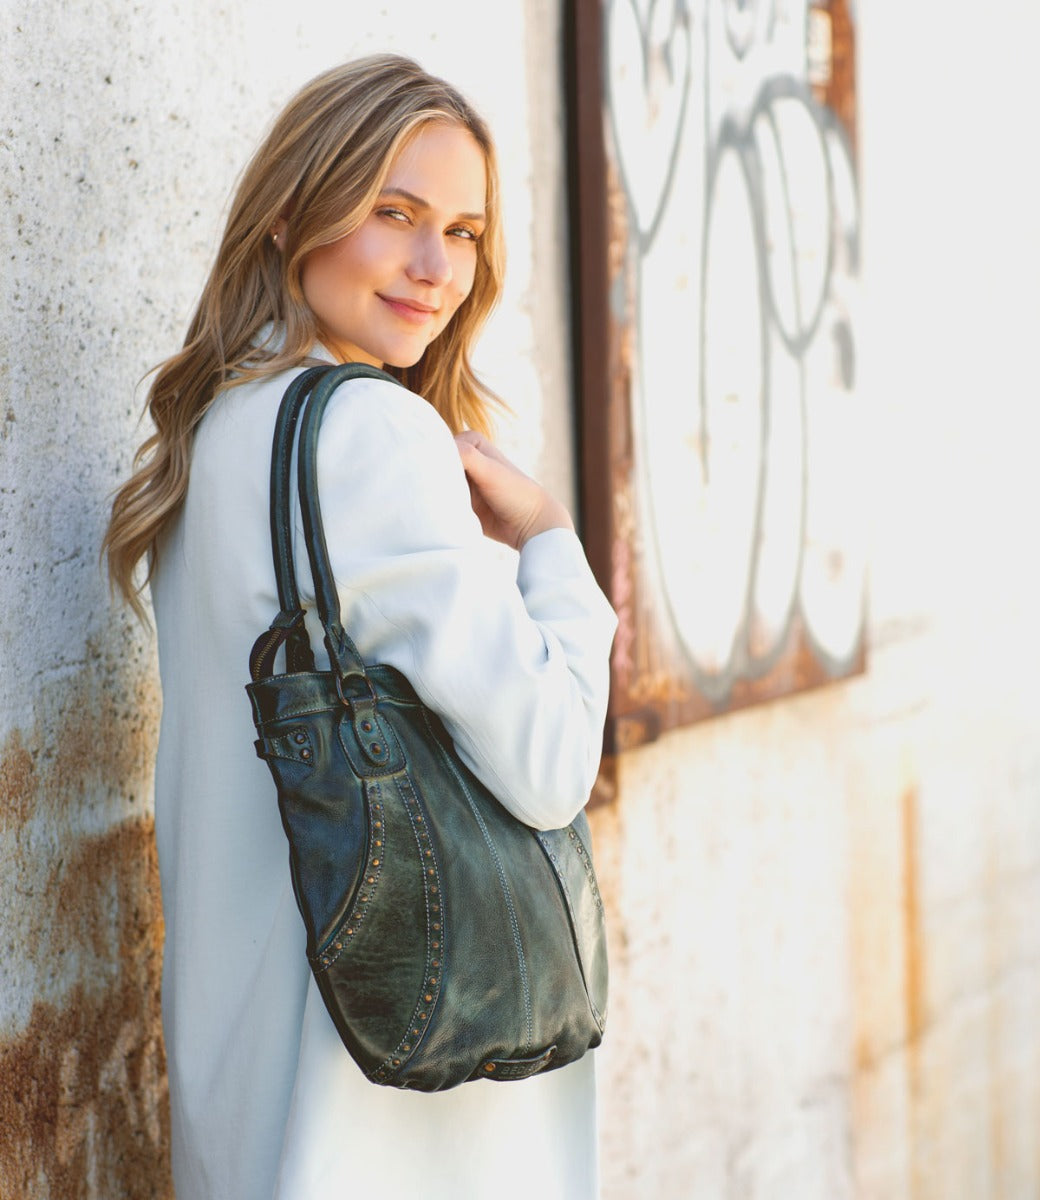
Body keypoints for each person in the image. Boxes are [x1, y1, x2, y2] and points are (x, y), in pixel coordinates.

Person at [103, 54, 616, 1200]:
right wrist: (548, 545)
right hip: (395, 1109)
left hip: (253, 1081)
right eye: (395, 214)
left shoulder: (216, 435)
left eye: (465, 232)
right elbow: (546, 763)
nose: (436, 268)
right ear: (293, 217)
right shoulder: (376, 437)